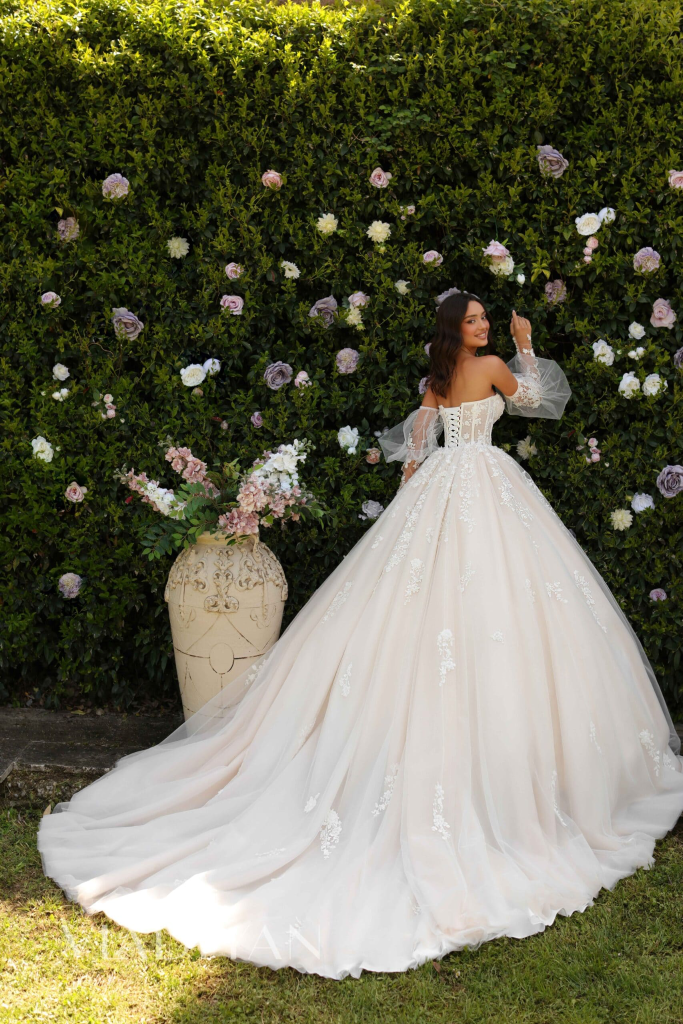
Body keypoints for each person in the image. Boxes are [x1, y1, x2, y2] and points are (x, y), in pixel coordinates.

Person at [38, 292, 683, 981]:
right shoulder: (494, 365)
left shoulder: (439, 376)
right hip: (487, 487)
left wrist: (409, 502)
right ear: (457, 329)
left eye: (486, 321)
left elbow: (416, 445)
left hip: (443, 489)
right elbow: (536, 402)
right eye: (474, 321)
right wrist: (525, 345)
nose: (485, 326)